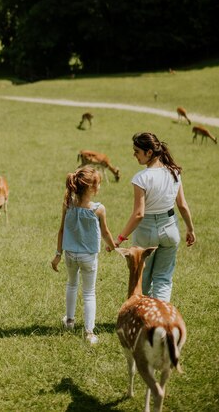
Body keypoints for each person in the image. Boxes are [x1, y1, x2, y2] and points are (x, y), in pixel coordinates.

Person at [112, 132, 196, 302]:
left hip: (146, 232)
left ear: (149, 152)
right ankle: (160, 319)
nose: (134, 155)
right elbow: (182, 205)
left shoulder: (141, 178)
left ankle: (143, 317)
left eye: (137, 151)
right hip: (170, 229)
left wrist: (120, 238)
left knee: (142, 278)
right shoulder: (174, 173)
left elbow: (139, 214)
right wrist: (190, 229)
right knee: (163, 278)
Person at [51, 165, 116, 344]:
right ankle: (89, 333)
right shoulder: (98, 209)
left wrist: (58, 254)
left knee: (71, 285)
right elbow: (105, 233)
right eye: (98, 184)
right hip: (88, 257)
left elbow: (62, 230)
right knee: (89, 293)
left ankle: (70, 321)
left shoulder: (68, 205)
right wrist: (113, 246)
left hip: (70, 255)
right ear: (92, 188)